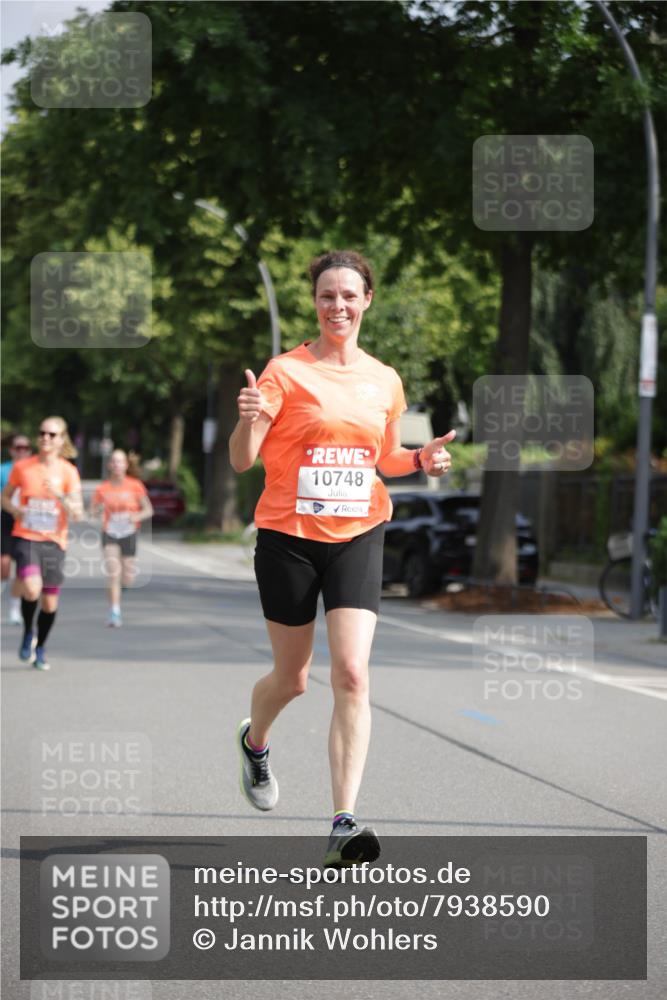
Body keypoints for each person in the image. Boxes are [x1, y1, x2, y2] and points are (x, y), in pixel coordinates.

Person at [229, 250, 455, 868]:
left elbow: (387, 457)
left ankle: (342, 821)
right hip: (288, 537)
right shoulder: (284, 372)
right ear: (315, 303)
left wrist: (422, 460)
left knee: (352, 673)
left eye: (349, 296)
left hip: (359, 532)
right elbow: (243, 460)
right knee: (294, 678)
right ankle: (254, 742)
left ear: (366, 301)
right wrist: (248, 421)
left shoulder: (383, 378)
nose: (338, 306)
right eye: (327, 295)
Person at [0, 416, 82, 671]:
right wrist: (15, 510)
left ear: (62, 440)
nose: (45, 438)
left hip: (54, 542)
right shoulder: (23, 467)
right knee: (32, 590)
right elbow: (4, 498)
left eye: (52, 434)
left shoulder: (69, 471)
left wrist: (61, 497)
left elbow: (78, 514)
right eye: (42, 433)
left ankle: (41, 646)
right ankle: (27, 632)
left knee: (49, 604)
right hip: (26, 536)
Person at [89, 449, 153, 627]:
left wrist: (136, 517)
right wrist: (98, 511)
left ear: (126, 465)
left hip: (129, 532)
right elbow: (92, 511)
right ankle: (114, 611)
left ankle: (121, 587)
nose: (117, 465)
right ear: (109, 465)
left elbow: (148, 510)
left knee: (128, 577)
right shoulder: (102, 488)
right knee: (113, 572)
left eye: (120, 461)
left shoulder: (135, 485)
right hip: (110, 531)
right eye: (114, 461)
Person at [1, 433, 33, 624]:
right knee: (4, 565)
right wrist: (12, 508)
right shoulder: (3, 470)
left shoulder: (35, 469)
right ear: (11, 450)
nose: (21, 451)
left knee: (22, 569)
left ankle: (14, 608)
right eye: (17, 448)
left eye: (25, 448)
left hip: (28, 521)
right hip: (6, 518)